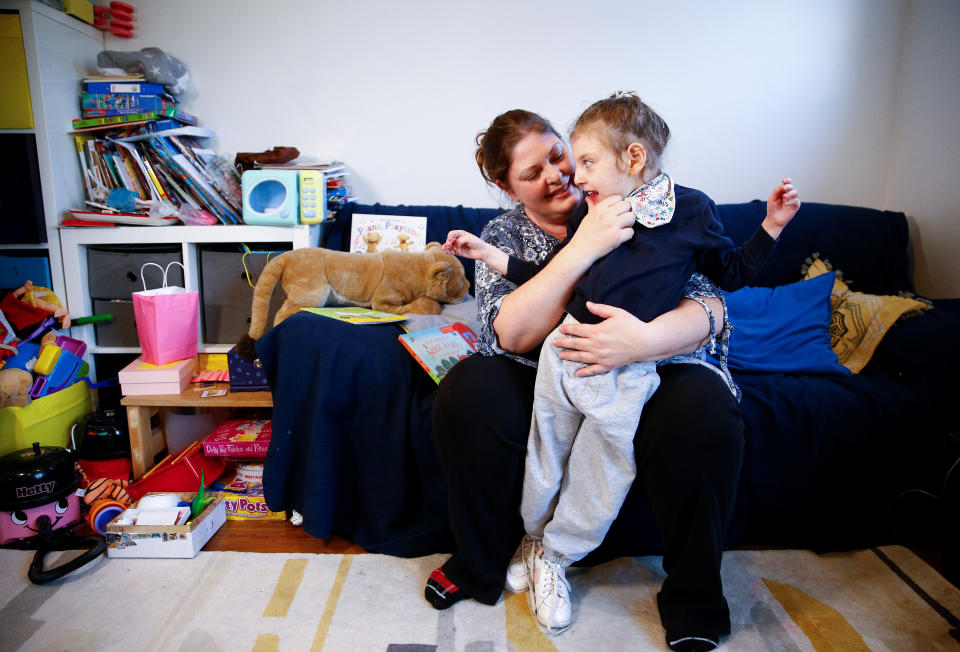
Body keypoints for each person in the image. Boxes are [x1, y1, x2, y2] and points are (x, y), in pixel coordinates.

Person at [440, 94, 800, 634]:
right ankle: (509, 551)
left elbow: (715, 300)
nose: (561, 176)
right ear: (507, 189)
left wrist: (643, 342)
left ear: (626, 158)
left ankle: (681, 594)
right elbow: (512, 331)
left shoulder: (669, 208)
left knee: (699, 417)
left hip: (651, 359)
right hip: (557, 365)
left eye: (563, 158)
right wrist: (581, 247)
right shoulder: (532, 227)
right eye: (533, 173)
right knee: (470, 391)